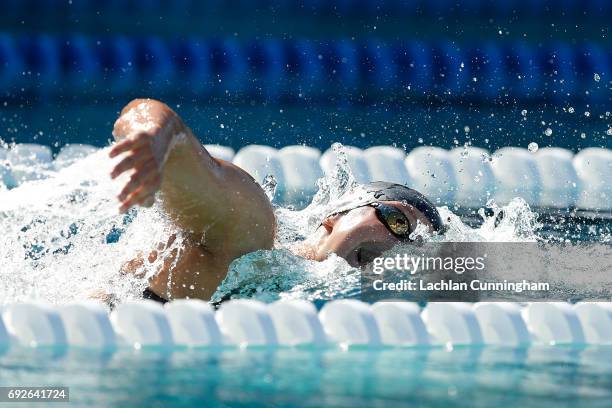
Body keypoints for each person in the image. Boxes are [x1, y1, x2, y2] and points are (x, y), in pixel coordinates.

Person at [110, 99, 444, 302]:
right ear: (335, 216)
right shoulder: (248, 234)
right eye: (399, 223)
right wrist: (151, 140)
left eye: (419, 248)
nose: (400, 248)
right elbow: (156, 116)